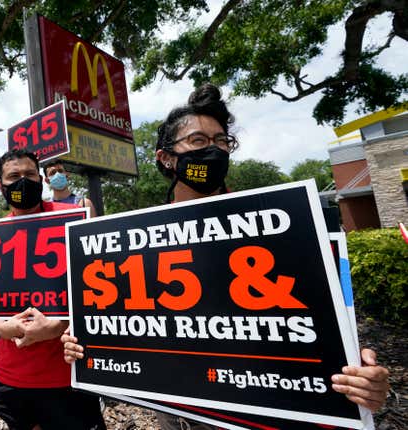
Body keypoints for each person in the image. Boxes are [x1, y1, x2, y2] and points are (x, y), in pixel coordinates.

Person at [62, 84, 391, 430]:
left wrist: (359, 367)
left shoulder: (282, 225)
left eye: (222, 141)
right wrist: (85, 344)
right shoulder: (134, 242)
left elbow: (327, 314)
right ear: (166, 158)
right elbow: (122, 323)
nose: (214, 150)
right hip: (173, 412)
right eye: (199, 142)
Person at [0, 149, 106, 430]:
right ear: (0, 186)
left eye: (29, 175)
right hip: (11, 380)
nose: (22, 182)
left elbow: (98, 283)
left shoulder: (73, 218)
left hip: (68, 377)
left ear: (41, 179)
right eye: (13, 176)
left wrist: (58, 325)